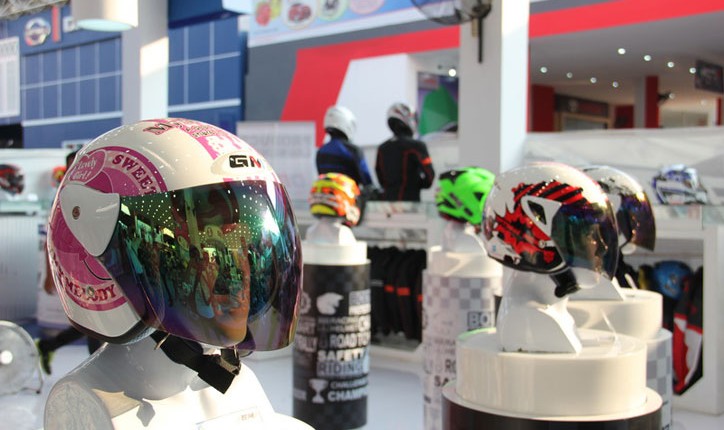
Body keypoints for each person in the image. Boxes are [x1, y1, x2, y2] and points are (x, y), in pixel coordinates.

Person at [36, 149, 101, 375]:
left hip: (99, 268)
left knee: (93, 321)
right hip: (79, 272)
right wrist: (50, 274)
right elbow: (51, 239)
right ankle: (97, 370)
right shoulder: (62, 198)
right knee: (94, 322)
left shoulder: (94, 192)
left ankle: (48, 346)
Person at [375, 102, 435, 201]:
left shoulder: (382, 148)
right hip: (410, 203)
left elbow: (380, 178)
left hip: (387, 204)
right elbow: (429, 177)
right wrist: (416, 184)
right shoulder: (417, 146)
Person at [316, 105, 373, 189]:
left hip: (324, 194)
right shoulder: (353, 150)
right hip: (347, 195)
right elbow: (366, 180)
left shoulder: (321, 151)